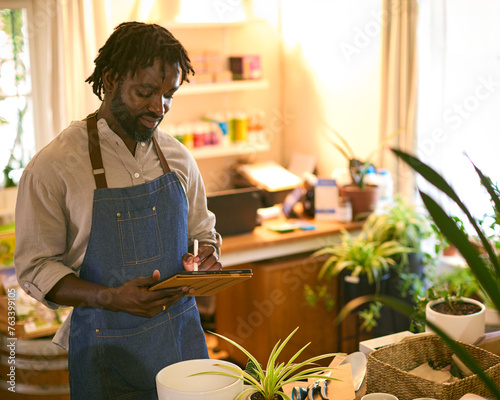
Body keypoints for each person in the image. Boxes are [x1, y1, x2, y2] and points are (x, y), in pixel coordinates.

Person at [14, 21, 221, 399]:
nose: (159, 107)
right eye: (146, 92)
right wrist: (110, 297)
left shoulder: (178, 157)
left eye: (169, 94)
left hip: (181, 345)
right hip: (105, 354)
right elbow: (35, 267)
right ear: (110, 79)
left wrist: (207, 257)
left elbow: (202, 234)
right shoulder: (54, 166)